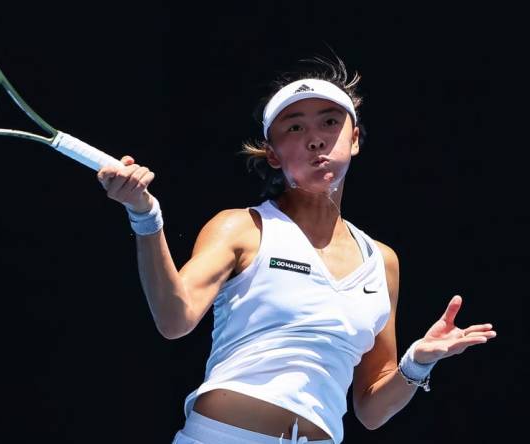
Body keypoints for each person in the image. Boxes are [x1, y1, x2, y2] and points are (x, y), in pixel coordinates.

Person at [96, 57, 497, 444]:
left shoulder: (382, 261)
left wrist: (417, 364)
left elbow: (371, 410)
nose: (316, 138)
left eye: (329, 121)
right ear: (272, 154)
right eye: (294, 127)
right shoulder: (241, 227)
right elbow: (174, 318)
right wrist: (146, 216)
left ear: (354, 139)